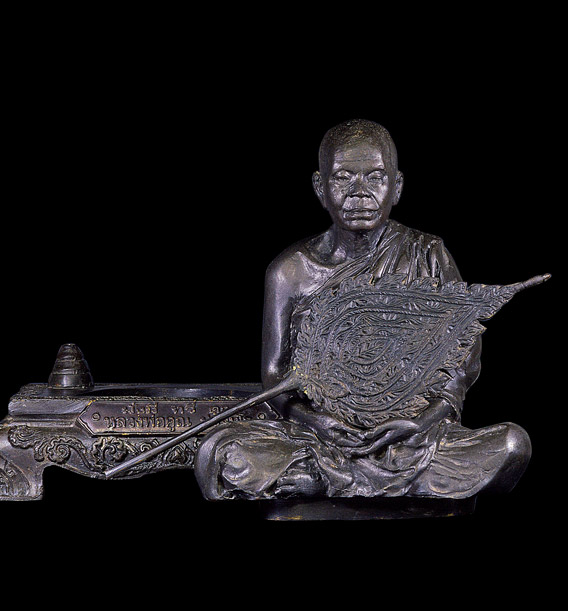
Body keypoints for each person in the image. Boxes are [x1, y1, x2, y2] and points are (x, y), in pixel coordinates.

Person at [194, 119, 532, 501]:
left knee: (512, 445)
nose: (359, 193)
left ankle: (327, 482)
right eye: (343, 178)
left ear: (397, 187)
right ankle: (348, 477)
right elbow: (274, 376)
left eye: (375, 178)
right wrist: (316, 421)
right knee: (221, 455)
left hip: (409, 438)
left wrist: (421, 421)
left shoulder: (427, 255)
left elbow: (462, 364)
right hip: (319, 436)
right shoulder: (290, 272)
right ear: (320, 188)